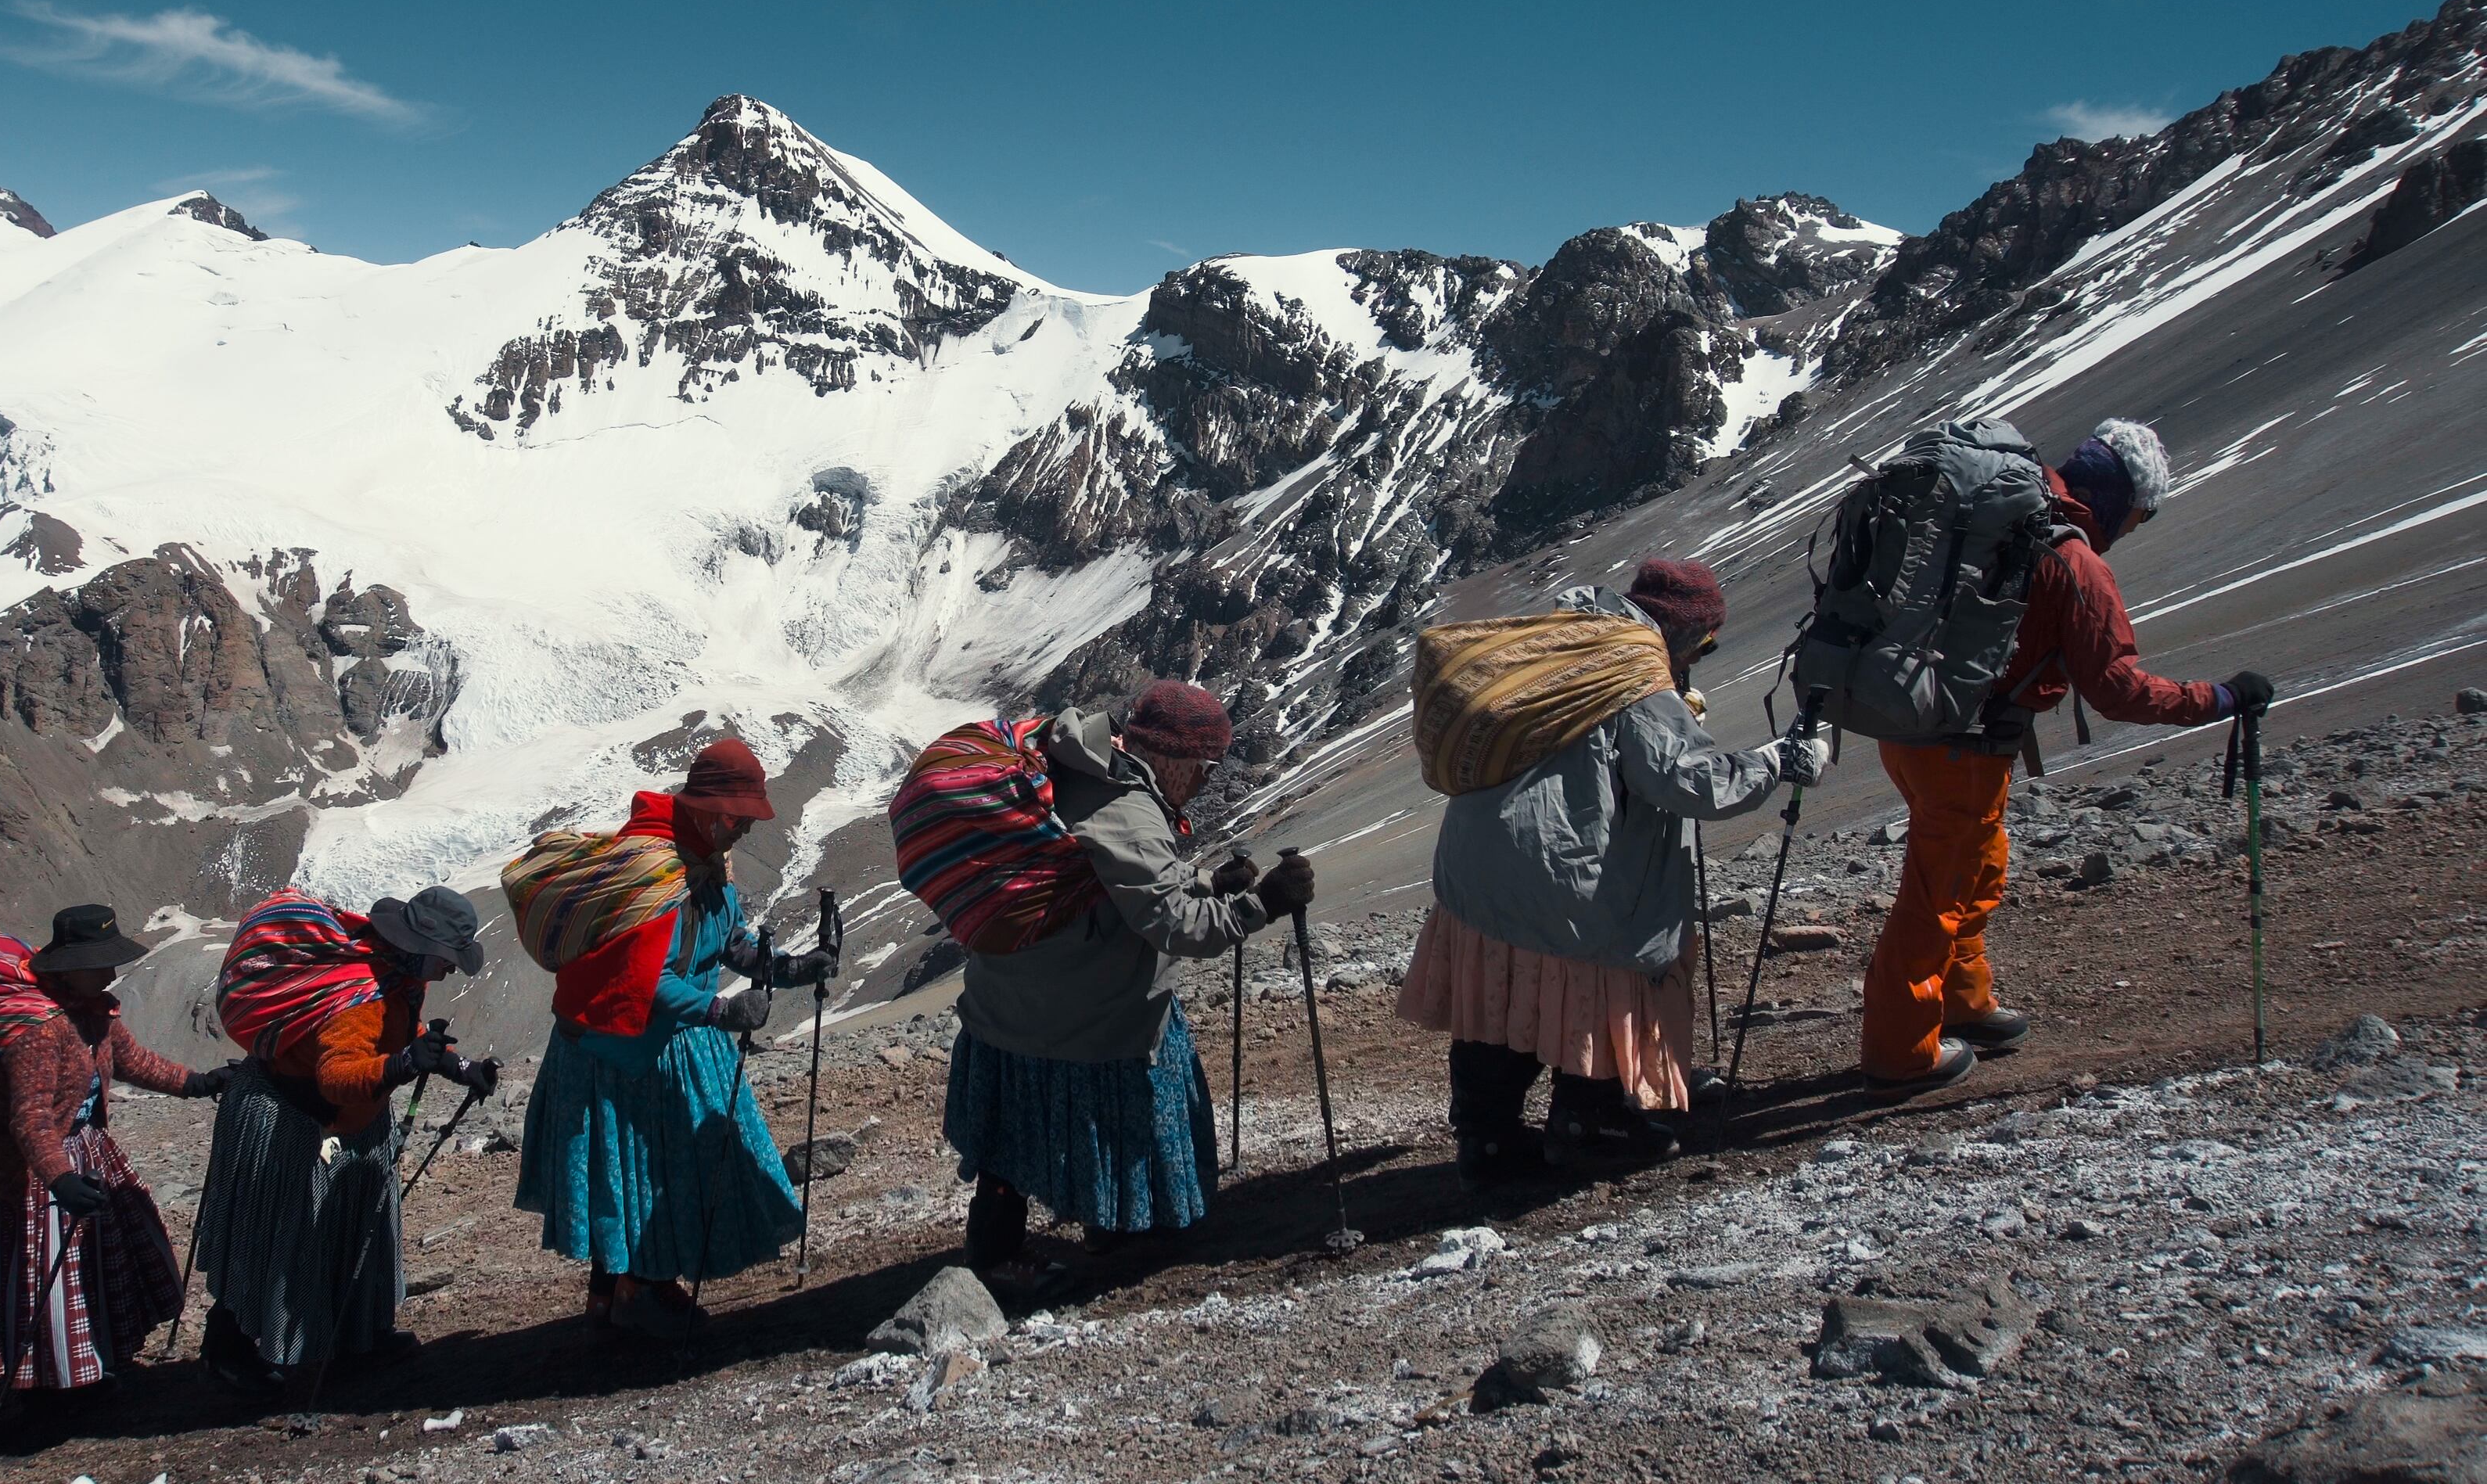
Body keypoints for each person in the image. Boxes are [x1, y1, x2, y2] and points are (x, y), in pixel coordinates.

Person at [1861, 419, 2273, 1098]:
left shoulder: (2005, 518)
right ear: (2117, 497)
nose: (2131, 529)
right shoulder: (2075, 561)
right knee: (1937, 893)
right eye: (2136, 516)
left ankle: (1963, 1000)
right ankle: (1899, 1050)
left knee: (1976, 864)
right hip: (1964, 743)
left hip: (1911, 727)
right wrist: (2220, 698)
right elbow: (2117, 688)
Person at [1397, 562, 1827, 1183]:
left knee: (1502, 996)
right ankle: (1590, 1120)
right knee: (1592, 989)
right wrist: (1776, 761)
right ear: (1683, 631)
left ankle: (1486, 1138)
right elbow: (1690, 781)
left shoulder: (1565, 642)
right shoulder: (1634, 676)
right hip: (1564, 880)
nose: (1698, 658)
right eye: (1704, 644)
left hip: (1475, 868)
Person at [945, 681, 1301, 1299]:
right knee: (1082, 1115)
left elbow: (1128, 881)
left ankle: (1085, 1227)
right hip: (1073, 1010)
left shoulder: (1090, 767)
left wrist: (1209, 883)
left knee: (1017, 1127)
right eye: (1205, 768)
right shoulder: (1129, 807)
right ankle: (1015, 1249)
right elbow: (1173, 924)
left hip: (1020, 992)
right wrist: (1259, 906)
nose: (1204, 782)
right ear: (1180, 758)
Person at [512, 737, 820, 1342]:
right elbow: (648, 983)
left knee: (636, 1172)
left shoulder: (707, 868)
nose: (744, 831)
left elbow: (727, 942)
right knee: (651, 1173)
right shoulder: (655, 875)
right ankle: (638, 1293)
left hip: (656, 1046)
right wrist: (721, 1009)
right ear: (706, 808)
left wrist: (786, 967)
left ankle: (614, 1298)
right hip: (627, 1054)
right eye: (737, 818)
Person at [0, 904, 228, 1457]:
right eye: (98, 964)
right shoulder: (40, 1027)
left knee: (58, 1273)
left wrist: (197, 1083)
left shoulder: (93, 1010)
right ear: (68, 965)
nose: (109, 973)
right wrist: (58, 1179)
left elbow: (130, 1062)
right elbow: (29, 1115)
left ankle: (59, 1382)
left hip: (61, 1151)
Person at [193, 882, 488, 1392]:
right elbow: (336, 1075)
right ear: (420, 948)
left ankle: (357, 1339)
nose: (450, 970)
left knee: (348, 1233)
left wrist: (461, 1067)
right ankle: (232, 1348)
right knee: (278, 1235)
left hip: (340, 1120)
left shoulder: (396, 975)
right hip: (295, 1115)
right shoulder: (360, 997)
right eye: (447, 960)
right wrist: (400, 1065)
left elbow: (404, 1033)